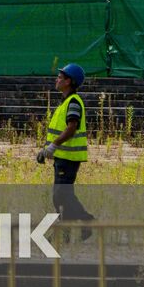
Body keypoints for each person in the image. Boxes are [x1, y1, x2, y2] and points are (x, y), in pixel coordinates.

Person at [35, 63, 94, 224]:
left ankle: (88, 221)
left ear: (68, 81)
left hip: (68, 158)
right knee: (60, 196)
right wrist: (46, 151)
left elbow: (71, 128)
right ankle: (67, 229)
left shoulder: (73, 102)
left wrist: (53, 146)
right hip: (62, 157)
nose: (57, 80)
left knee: (62, 194)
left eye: (60, 77)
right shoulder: (66, 102)